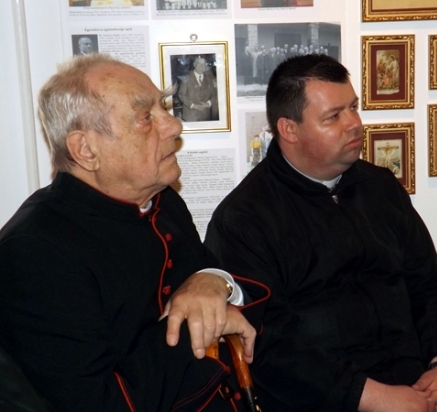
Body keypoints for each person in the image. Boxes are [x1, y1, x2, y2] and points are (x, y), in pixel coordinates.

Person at [204, 54, 437, 411]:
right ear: (289, 129)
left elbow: (431, 287)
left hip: (422, 382)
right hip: (329, 400)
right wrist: (371, 397)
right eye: (334, 116)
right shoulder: (244, 219)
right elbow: (268, 347)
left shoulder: (380, 187)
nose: (354, 124)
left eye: (353, 108)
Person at [0, 53, 269, 411]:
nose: (174, 126)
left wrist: (214, 282)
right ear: (86, 150)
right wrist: (199, 324)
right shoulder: (34, 251)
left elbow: (212, 282)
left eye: (164, 107)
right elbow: (96, 402)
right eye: (145, 117)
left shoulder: (162, 201)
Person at [177, 56, 217, 122]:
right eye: (199, 64)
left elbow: (214, 95)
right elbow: (181, 95)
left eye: (203, 64)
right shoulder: (186, 77)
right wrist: (193, 106)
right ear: (194, 64)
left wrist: (208, 104)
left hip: (205, 117)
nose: (201, 66)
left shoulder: (209, 79)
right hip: (190, 117)